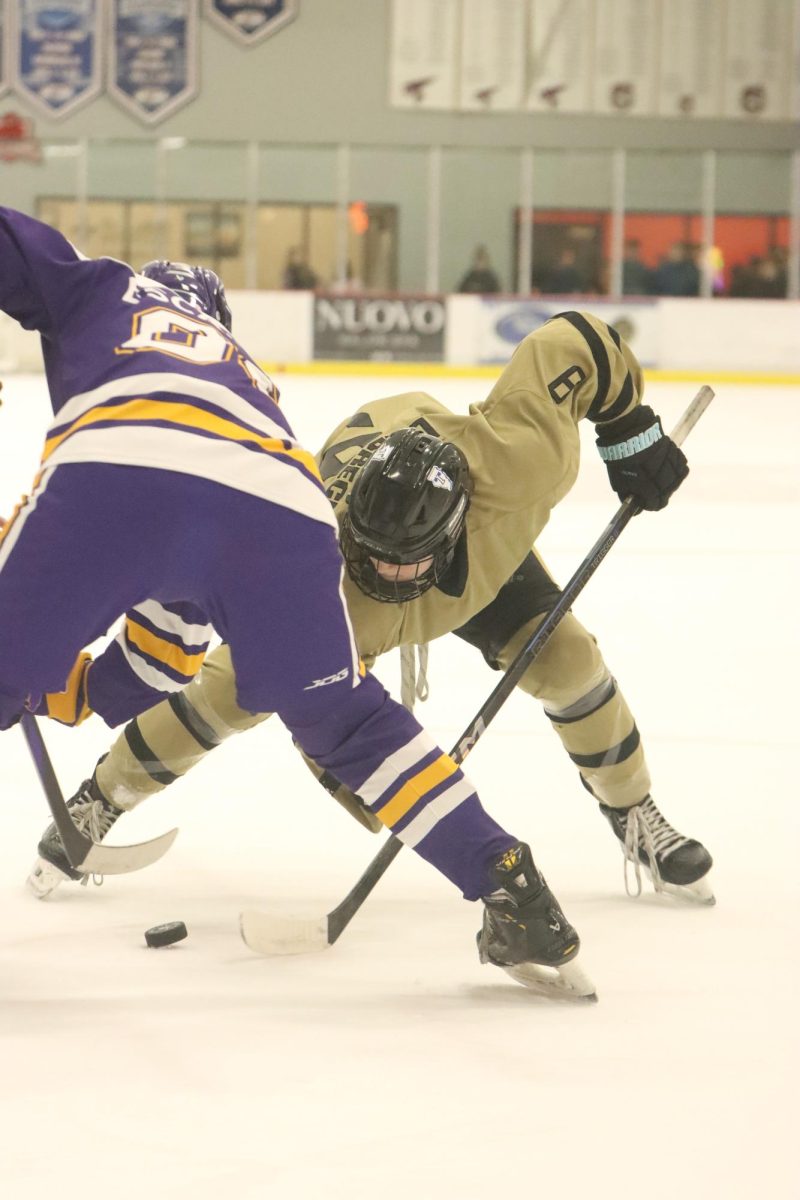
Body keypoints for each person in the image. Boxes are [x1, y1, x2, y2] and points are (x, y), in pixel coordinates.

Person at [0, 205, 586, 998]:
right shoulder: (246, 373)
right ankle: (508, 882)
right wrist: (73, 682)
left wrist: (49, 681)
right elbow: (167, 652)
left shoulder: (106, 290)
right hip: (283, 504)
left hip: (119, 458)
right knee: (347, 722)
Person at [28, 306, 712, 934]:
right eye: (377, 561)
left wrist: (627, 430)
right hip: (343, 591)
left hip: (480, 553)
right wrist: (379, 785)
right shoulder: (318, 582)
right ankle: (101, 797)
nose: (391, 578)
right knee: (226, 694)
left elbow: (575, 340)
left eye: (406, 565)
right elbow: (322, 721)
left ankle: (631, 810)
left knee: (569, 661)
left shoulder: (518, 464)